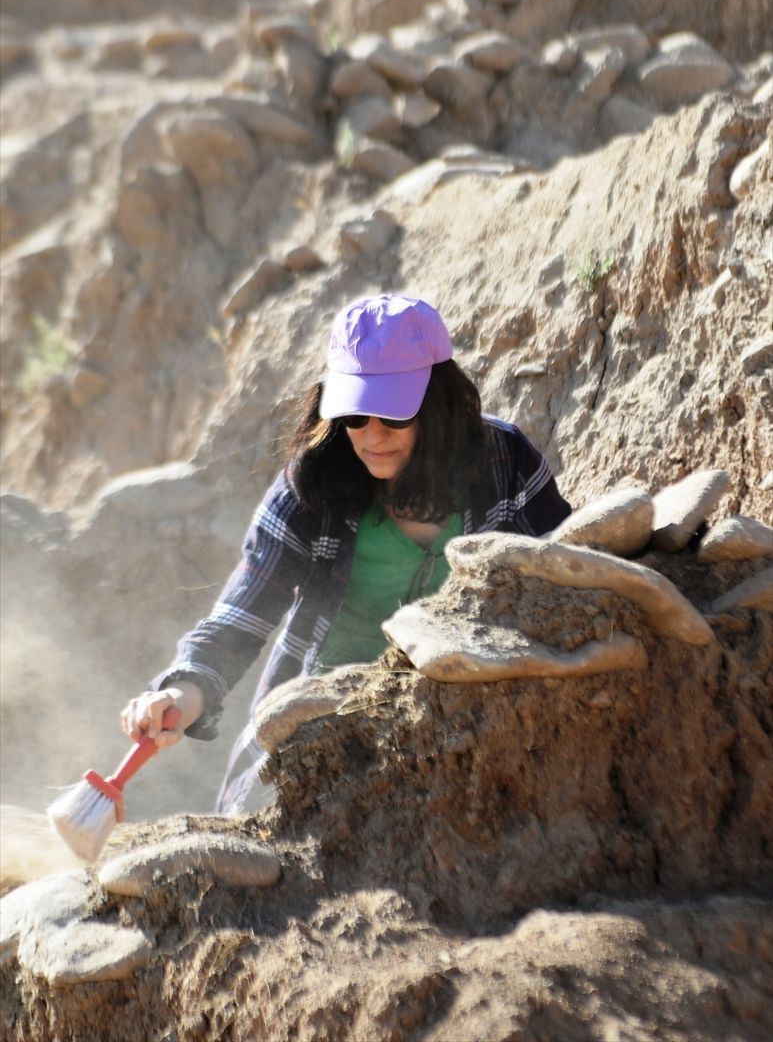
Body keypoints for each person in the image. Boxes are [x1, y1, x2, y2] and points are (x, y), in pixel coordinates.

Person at [121, 293, 571, 813]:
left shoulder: (503, 461)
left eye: (393, 417)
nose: (372, 437)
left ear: (439, 406)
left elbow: (563, 569)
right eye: (355, 416)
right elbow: (242, 613)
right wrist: (182, 691)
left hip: (458, 717)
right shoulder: (311, 485)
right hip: (315, 720)